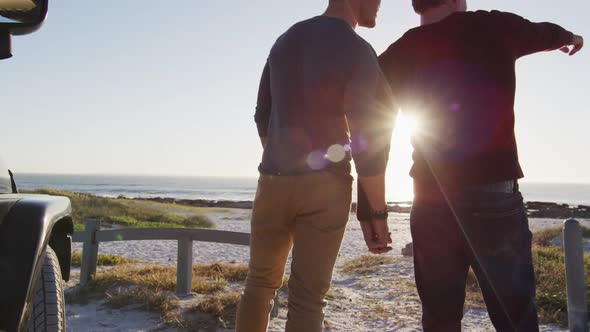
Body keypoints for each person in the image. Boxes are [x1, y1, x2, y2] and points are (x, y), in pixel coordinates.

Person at [376, 0, 584, 330]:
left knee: (440, 318)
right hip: (493, 196)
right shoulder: (494, 26)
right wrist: (570, 37)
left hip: (430, 199)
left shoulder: (399, 52)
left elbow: (363, 109)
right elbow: (543, 32)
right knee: (515, 315)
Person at [235, 1, 395, 331]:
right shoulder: (358, 48)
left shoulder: (286, 39)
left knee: (260, 284)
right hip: (325, 184)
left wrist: (282, 159)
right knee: (308, 297)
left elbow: (262, 114)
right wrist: (375, 212)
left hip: (272, 179)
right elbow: (369, 133)